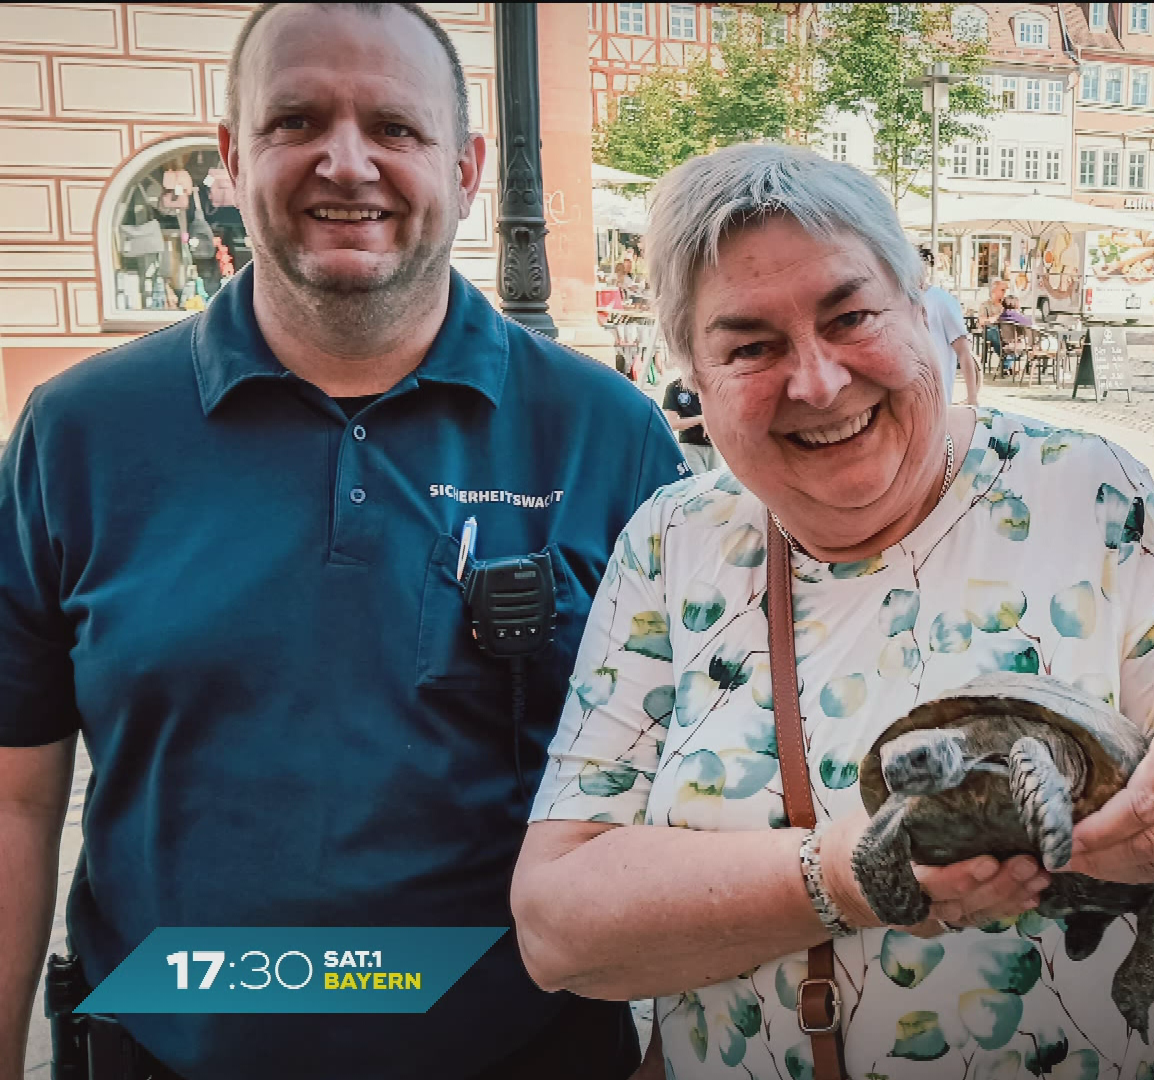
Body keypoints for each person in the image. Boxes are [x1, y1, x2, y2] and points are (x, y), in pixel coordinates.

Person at [509, 144, 1154, 1080]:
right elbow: (557, 928)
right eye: (750, 347)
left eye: (851, 316)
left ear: (920, 306)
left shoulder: (1087, 494)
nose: (818, 383)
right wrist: (844, 877)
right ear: (691, 377)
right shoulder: (672, 544)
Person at [0, 6, 688, 1080]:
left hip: (527, 1055)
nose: (347, 162)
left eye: (396, 128)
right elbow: (15, 795)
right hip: (164, 1051)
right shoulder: (79, 434)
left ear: (467, 169)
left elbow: (690, 797)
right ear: (232, 159)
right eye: (296, 121)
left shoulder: (609, 437)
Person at [919, 247, 976, 406]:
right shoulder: (897, 300)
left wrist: (972, 398)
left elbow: (963, 351)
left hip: (936, 399)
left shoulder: (942, 301)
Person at [662, 376, 723, 474]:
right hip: (690, 446)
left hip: (714, 445)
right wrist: (700, 419)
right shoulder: (674, 388)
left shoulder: (712, 385)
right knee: (700, 480)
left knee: (716, 481)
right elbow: (671, 423)